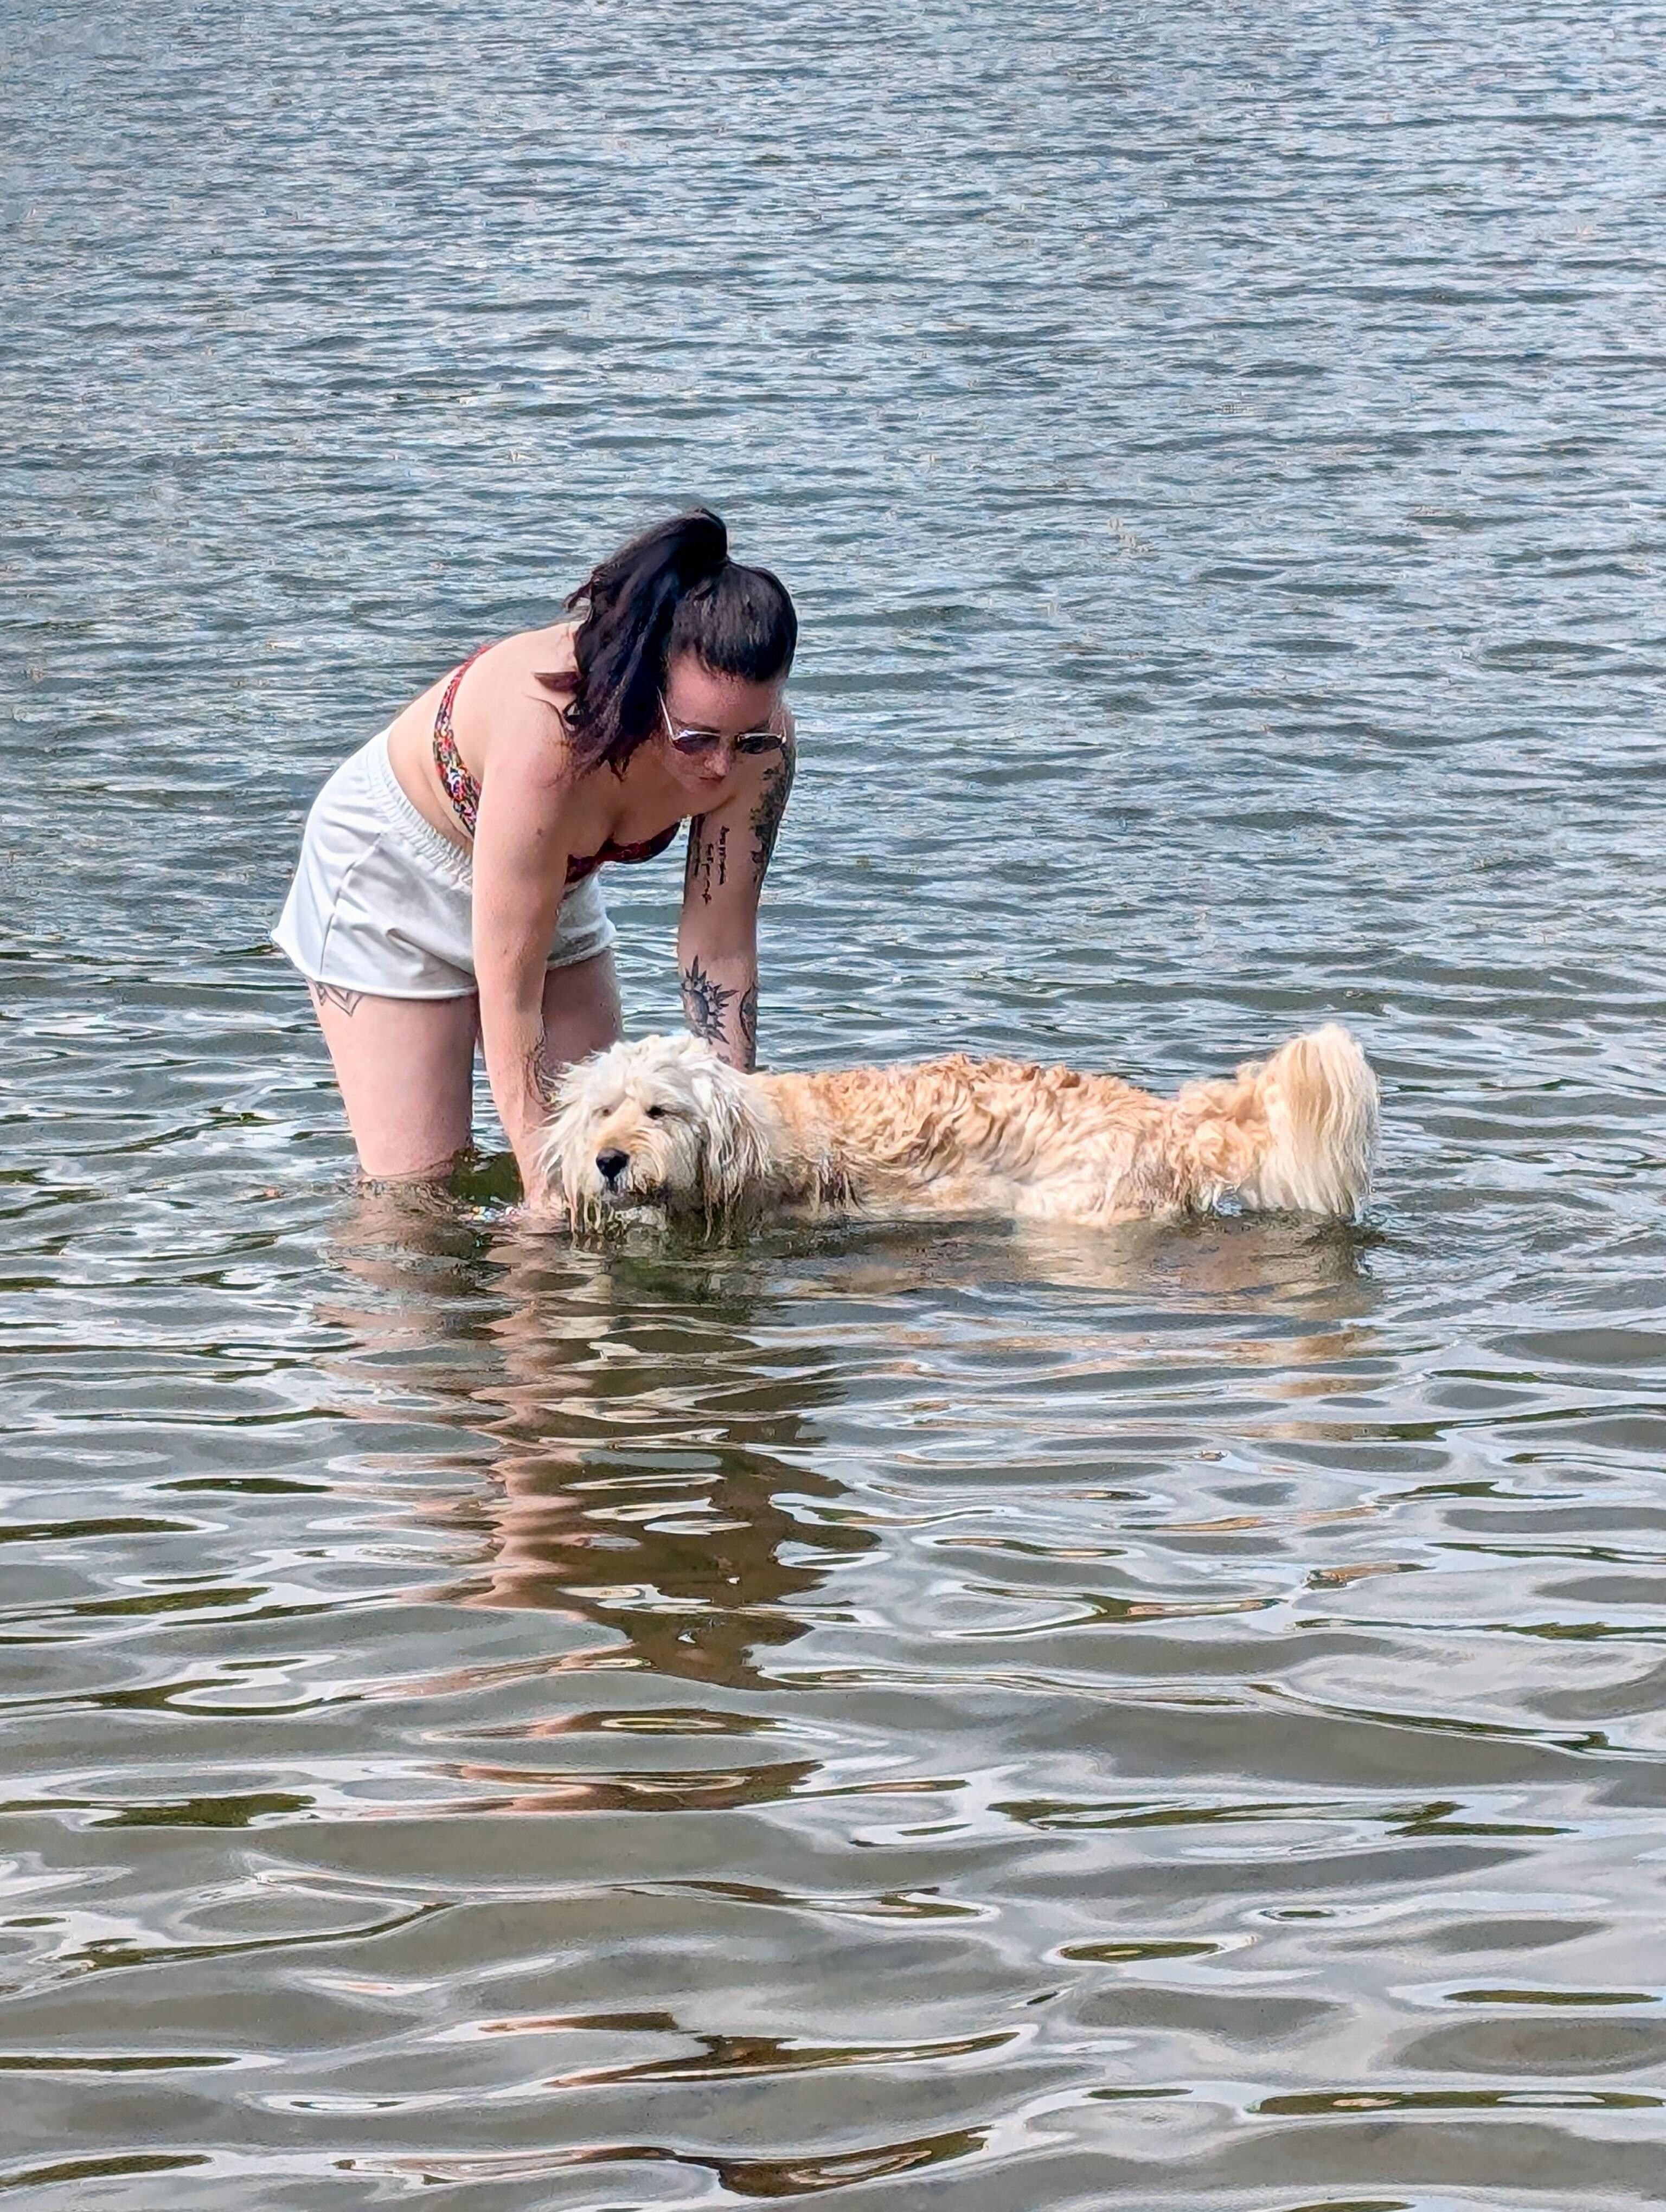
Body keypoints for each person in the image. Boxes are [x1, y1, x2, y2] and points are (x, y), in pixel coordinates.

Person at [272, 508, 797, 1205]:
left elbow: (720, 949)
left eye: (748, 734)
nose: (720, 766)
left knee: (608, 1177)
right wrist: (542, 1190)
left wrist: (734, 1139)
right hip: (395, 869)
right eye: (697, 738)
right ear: (648, 689)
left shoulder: (760, 754)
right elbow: (510, 996)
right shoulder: (550, 737)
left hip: (558, 876)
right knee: (422, 1194)